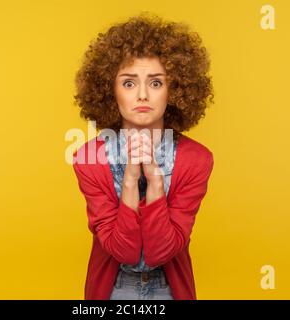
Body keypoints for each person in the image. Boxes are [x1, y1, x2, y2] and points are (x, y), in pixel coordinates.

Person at [72, 13, 215, 300]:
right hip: (114, 291)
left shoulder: (196, 160)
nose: (142, 95)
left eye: (155, 83)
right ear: (110, 91)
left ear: (173, 90)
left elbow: (159, 252)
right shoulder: (88, 159)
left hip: (168, 291)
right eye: (128, 83)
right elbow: (122, 250)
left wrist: (155, 183)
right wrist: (129, 181)